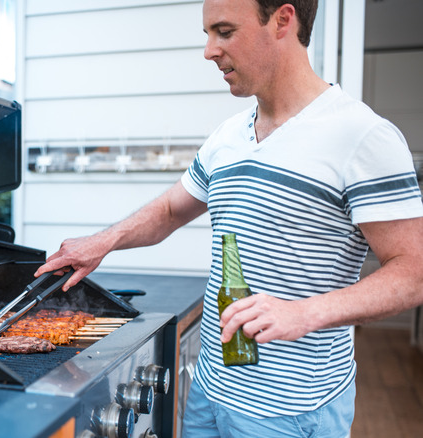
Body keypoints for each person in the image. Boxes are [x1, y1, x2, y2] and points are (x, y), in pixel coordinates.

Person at [34, 0, 423, 436]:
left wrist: (306, 313)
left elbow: (413, 273)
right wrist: (102, 241)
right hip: (210, 390)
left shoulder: (361, 136)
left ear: (282, 20)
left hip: (290, 410)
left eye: (223, 31)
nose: (208, 50)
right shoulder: (229, 135)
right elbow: (169, 210)